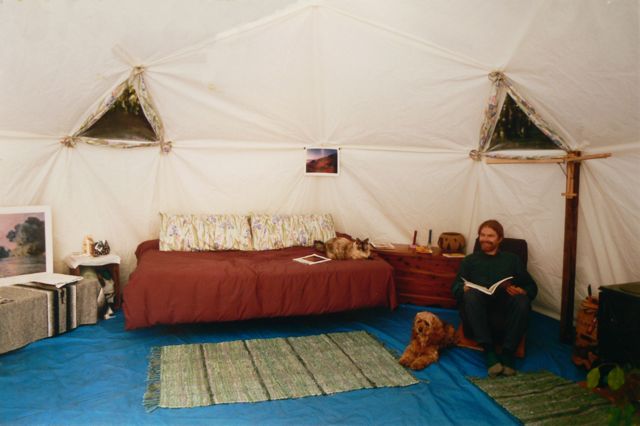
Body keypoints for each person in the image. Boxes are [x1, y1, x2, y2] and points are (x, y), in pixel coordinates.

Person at [452, 219, 537, 377]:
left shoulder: (512, 260)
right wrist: (462, 288)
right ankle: (489, 352)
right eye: (482, 235)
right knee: (470, 295)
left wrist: (522, 291)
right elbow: (455, 285)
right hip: (478, 303)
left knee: (522, 301)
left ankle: (508, 353)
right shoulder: (470, 260)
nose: (485, 239)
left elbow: (531, 286)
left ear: (500, 239)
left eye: (490, 235)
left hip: (505, 303)